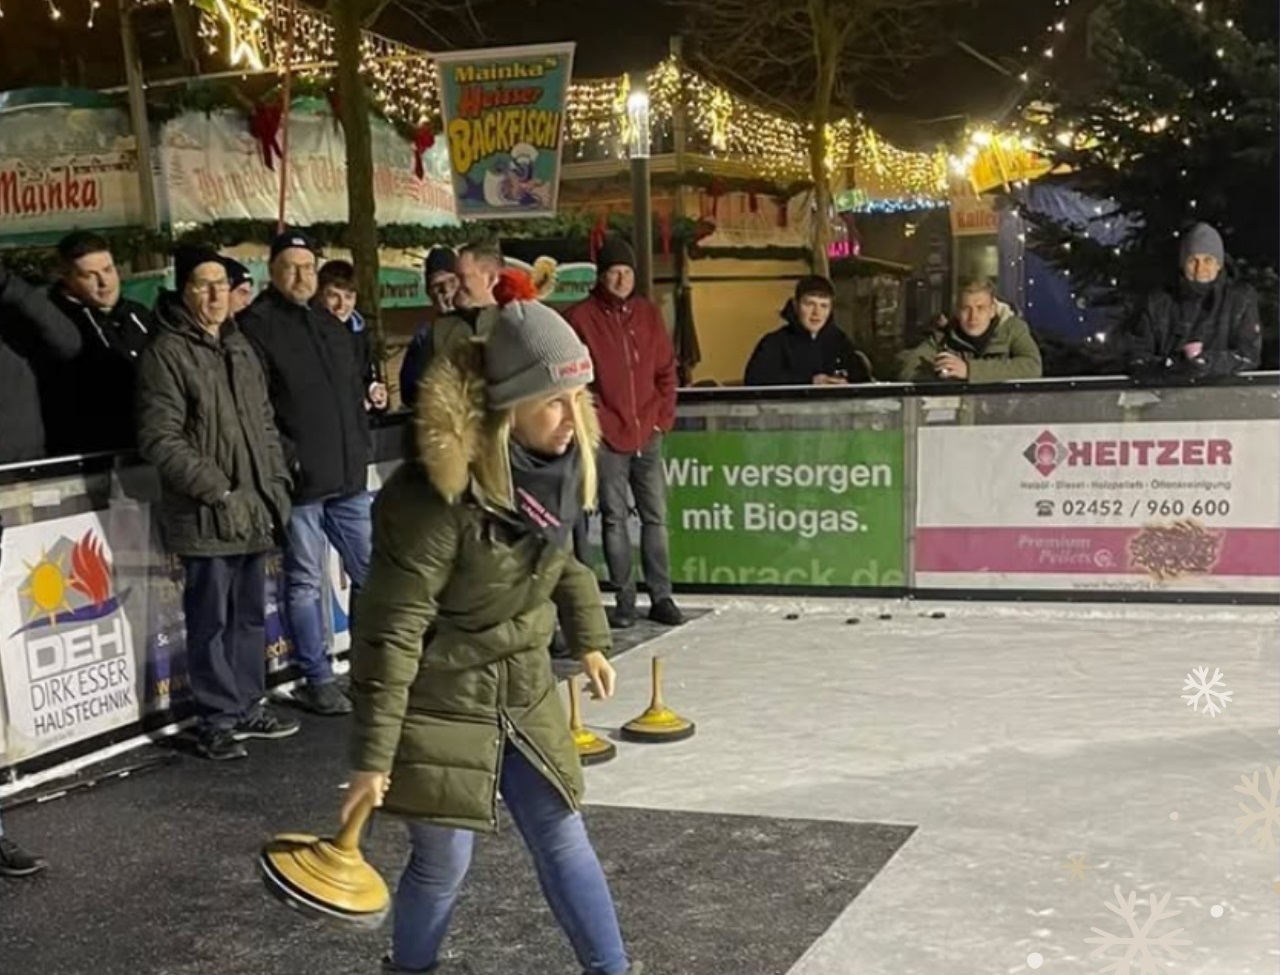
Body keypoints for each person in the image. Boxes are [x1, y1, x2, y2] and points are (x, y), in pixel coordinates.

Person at [342, 298, 640, 975]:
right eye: (553, 402)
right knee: (443, 860)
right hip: (439, 697)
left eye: (577, 398)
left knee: (563, 834)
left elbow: (563, 561)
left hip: (523, 686)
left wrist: (589, 636)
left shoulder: (559, 468)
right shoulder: (428, 501)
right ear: (509, 404)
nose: (571, 418)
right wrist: (372, 756)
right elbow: (391, 632)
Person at [137, 247, 299, 761]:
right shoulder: (167, 352)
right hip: (209, 511)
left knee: (250, 616)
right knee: (210, 620)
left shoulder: (241, 348)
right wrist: (218, 489)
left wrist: (274, 484)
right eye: (203, 285)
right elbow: (159, 438)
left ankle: (248, 701)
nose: (214, 295)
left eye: (222, 285)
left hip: (254, 506)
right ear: (185, 291)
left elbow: (265, 425)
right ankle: (216, 717)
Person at [240, 232, 374, 716]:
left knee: (372, 572)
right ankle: (317, 676)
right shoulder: (256, 325)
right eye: (291, 267)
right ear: (272, 270)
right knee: (304, 582)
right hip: (301, 485)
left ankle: (367, 665)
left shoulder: (329, 324)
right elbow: (258, 408)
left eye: (308, 267)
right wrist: (288, 458)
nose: (301, 276)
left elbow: (353, 392)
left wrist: (359, 444)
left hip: (347, 476)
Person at [564, 237, 683, 629]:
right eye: (614, 272)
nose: (621, 279)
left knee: (656, 517)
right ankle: (625, 598)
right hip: (607, 434)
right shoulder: (580, 318)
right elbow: (574, 380)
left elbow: (667, 371)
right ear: (601, 275)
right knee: (614, 518)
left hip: (647, 430)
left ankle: (661, 595)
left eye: (627, 272)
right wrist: (592, 421)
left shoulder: (647, 315)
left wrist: (660, 419)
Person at [40, 231, 153, 456]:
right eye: (89, 275)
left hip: (145, 446)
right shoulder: (55, 325)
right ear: (67, 277)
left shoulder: (138, 314)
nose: (104, 282)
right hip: (89, 454)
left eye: (108, 270)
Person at [1128, 222, 1262, 378]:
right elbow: (1137, 356)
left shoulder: (1240, 299)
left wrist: (1208, 363)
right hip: (1168, 395)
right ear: (1183, 264)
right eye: (1193, 261)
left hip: (1224, 395)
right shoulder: (1158, 302)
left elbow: (1249, 356)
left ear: (1219, 264)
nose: (1200, 269)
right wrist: (1173, 365)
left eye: (1208, 260)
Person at [899, 277, 1042, 383]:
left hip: (1003, 415)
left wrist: (969, 370)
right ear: (957, 311)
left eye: (980, 308)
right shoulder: (943, 336)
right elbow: (909, 369)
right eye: (966, 309)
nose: (973, 316)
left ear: (992, 310)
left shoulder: (1013, 329)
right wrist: (943, 374)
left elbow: (1032, 367)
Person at [743, 275, 872, 386]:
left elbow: (863, 382)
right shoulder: (774, 343)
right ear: (795, 305)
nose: (816, 312)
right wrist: (809, 382)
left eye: (824, 306)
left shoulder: (840, 341)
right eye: (810, 304)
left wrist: (846, 384)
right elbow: (755, 380)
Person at [318, 259, 389, 413]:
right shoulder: (309, 336)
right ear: (319, 295)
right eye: (333, 296)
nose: (341, 305)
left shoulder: (360, 333)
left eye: (348, 297)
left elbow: (365, 376)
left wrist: (375, 392)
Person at [398, 247, 460, 411]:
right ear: (428, 293)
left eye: (452, 282)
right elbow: (410, 393)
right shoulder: (424, 338)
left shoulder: (484, 325)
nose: (446, 291)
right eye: (437, 286)